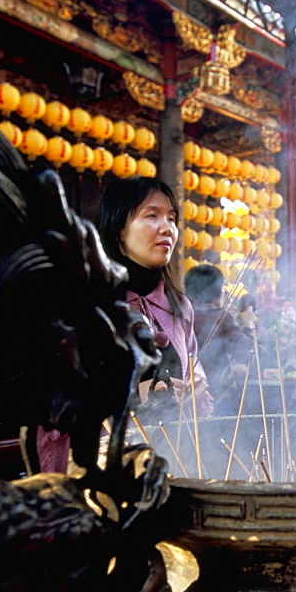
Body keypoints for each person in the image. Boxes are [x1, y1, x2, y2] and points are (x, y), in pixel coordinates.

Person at [95, 177, 210, 419]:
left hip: (175, 449)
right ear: (119, 230)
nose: (168, 228)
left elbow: (193, 370)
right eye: (152, 216)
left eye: (171, 218)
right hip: (112, 452)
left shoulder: (179, 306)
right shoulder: (92, 304)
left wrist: (194, 389)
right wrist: (139, 395)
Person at [185, 264, 251, 416]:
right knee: (223, 438)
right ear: (217, 292)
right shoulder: (220, 317)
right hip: (216, 396)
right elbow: (247, 353)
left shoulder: (181, 315)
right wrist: (248, 325)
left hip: (186, 395)